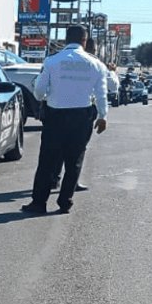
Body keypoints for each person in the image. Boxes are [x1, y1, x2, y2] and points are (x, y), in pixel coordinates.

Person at [22, 25, 108, 215]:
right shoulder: (96, 64)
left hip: (56, 116)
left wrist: (47, 95)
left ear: (65, 39)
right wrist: (103, 116)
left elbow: (38, 92)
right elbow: (102, 94)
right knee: (74, 161)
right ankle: (65, 201)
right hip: (82, 116)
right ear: (84, 41)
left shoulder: (52, 61)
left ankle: (39, 203)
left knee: (47, 161)